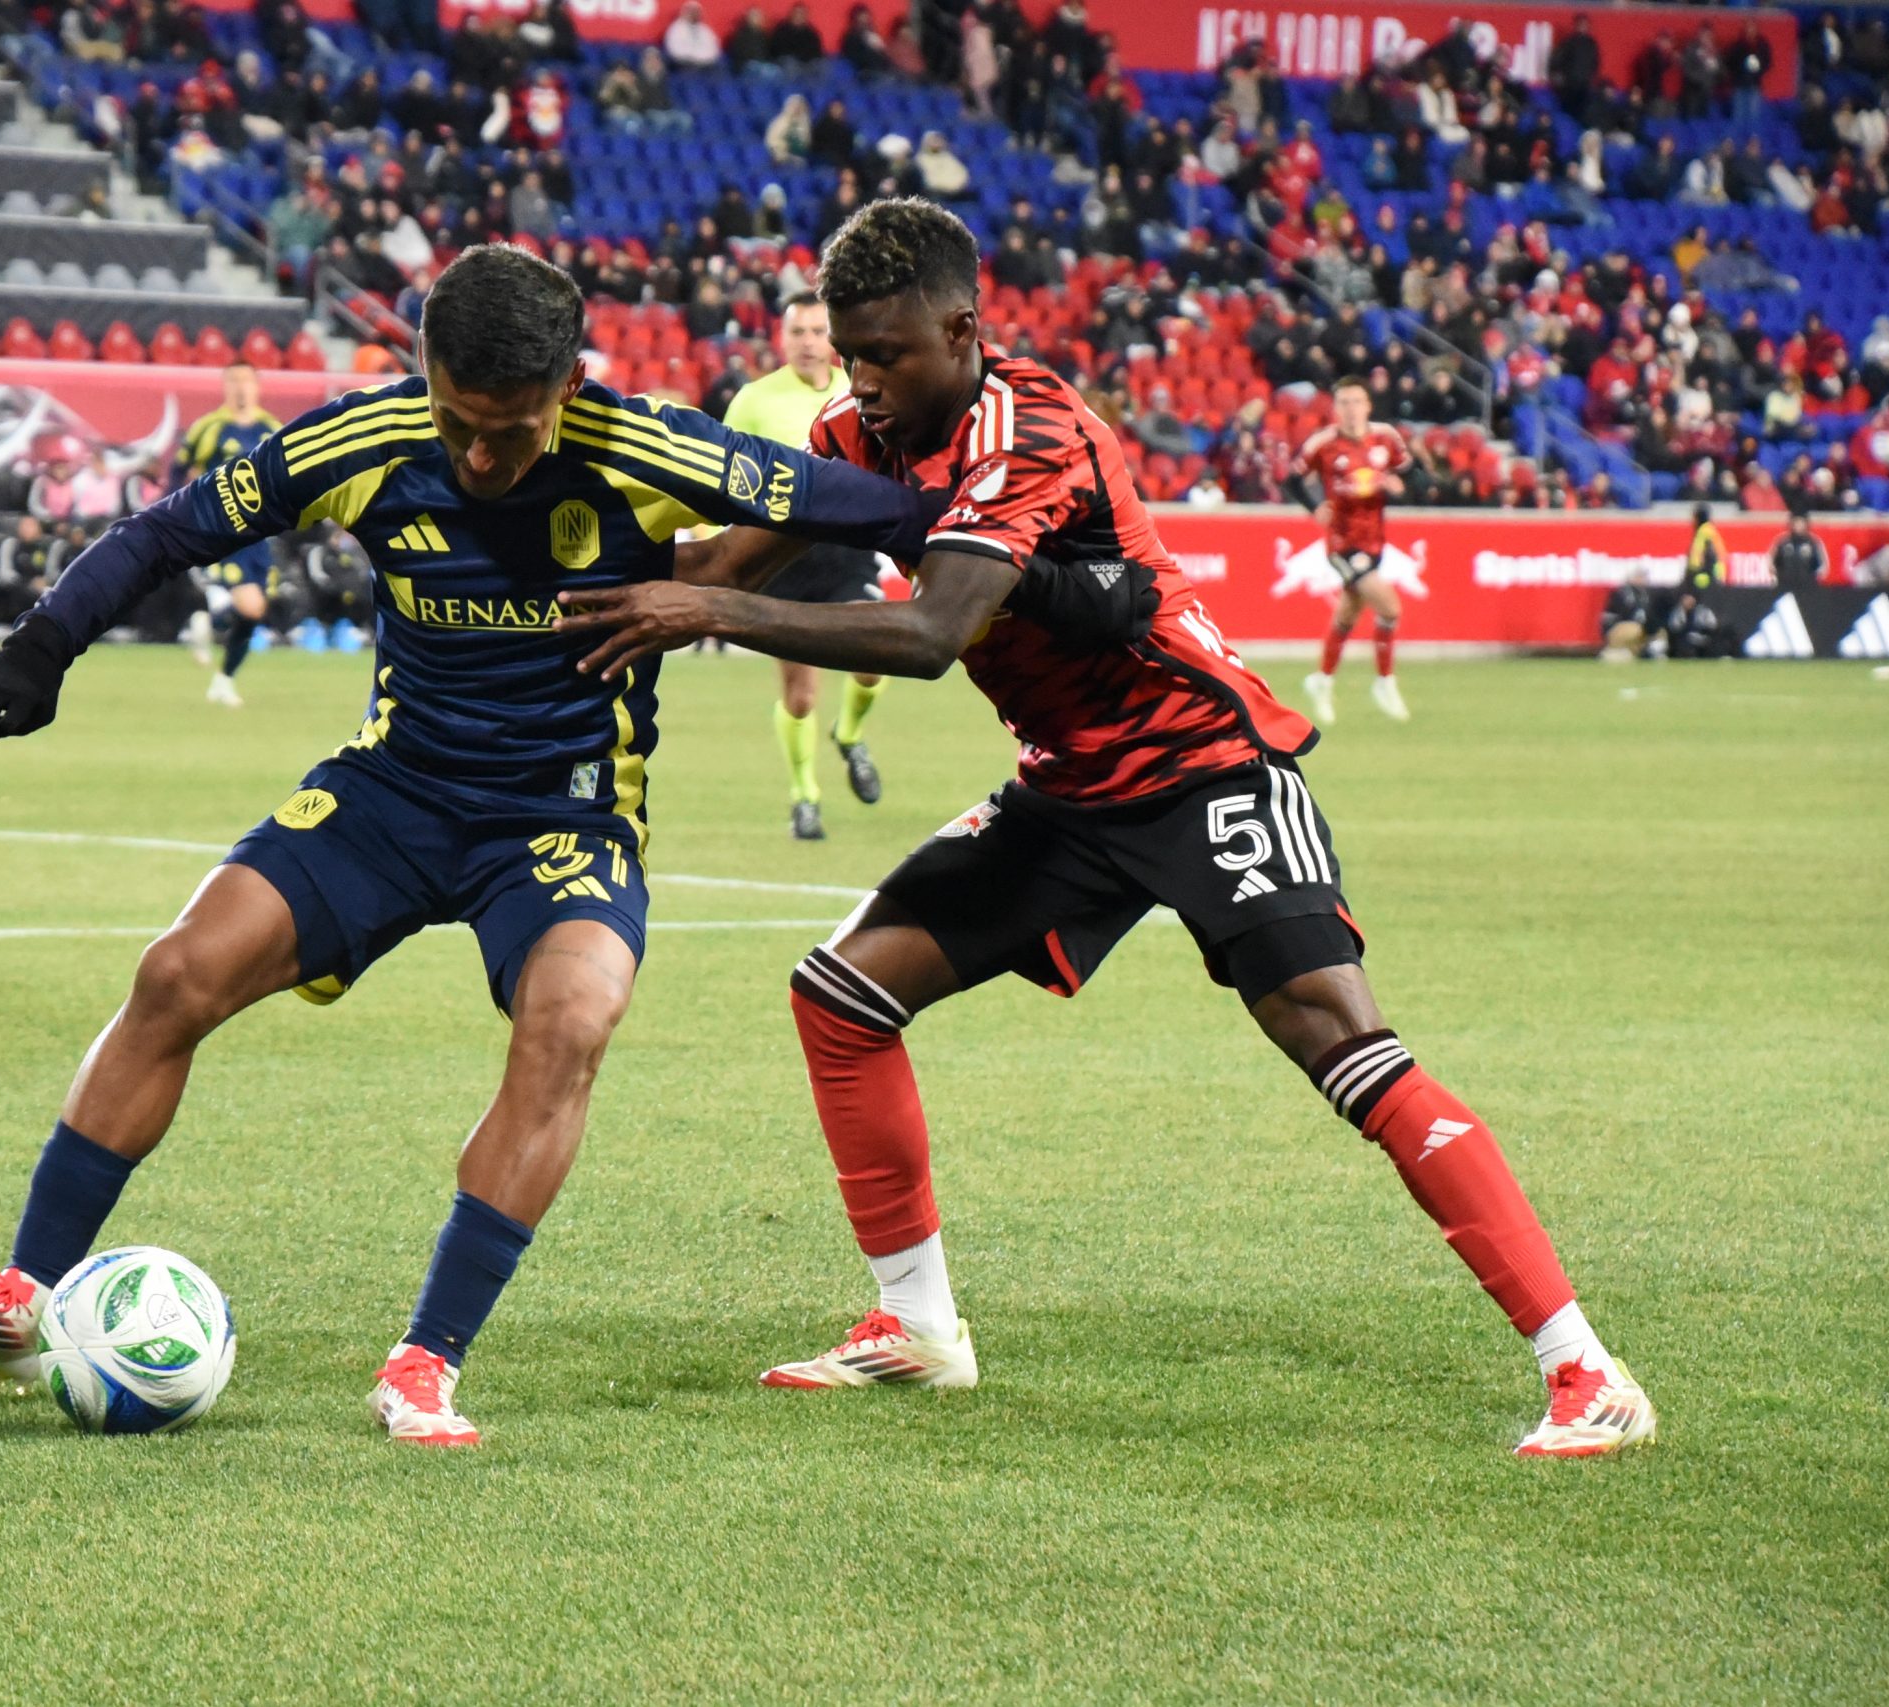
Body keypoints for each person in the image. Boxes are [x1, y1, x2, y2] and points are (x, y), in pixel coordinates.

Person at [554, 200, 1656, 1459]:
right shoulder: (858, 428)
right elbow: (752, 549)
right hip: (1069, 786)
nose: (861, 378)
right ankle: (917, 1328)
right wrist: (590, 585)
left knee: (1334, 1037)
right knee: (842, 995)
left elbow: (928, 636)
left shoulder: (1033, 430)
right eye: (848, 352)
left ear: (963, 329)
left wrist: (708, 613)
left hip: (1202, 765)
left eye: (887, 352)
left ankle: (1585, 1369)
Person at [0, 245, 936, 1449]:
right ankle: (25, 1296)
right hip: (393, 793)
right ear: (424, 373)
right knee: (176, 973)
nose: (481, 456)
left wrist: (1016, 523)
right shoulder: (361, 442)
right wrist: (39, 647)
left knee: (573, 1021)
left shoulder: (653, 450)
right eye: (456, 422)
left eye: (514, 431)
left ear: (570, 390)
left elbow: (874, 503)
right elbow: (164, 534)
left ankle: (425, 1362)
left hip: (563, 815)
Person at [722, 290, 889, 840]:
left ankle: (849, 733)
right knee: (799, 694)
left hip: (848, 550)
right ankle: (805, 797)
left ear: (835, 338)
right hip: (782, 556)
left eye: (819, 332)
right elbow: (723, 473)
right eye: (799, 332)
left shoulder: (860, 390)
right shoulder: (754, 400)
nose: (810, 343)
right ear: (782, 338)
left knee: (874, 661)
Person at [1299, 377, 1414, 725]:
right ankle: (1384, 681)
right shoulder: (1324, 444)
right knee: (1390, 607)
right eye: (1344, 402)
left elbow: (1414, 475)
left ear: (1368, 405)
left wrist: (1398, 486)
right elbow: (1291, 476)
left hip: (1376, 540)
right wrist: (1313, 506)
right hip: (1342, 543)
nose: (1351, 409)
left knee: (1348, 613)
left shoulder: (1385, 439)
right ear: (1335, 409)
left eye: (1356, 401)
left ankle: (1321, 680)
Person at [172, 363, 283, 706]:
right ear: (224, 386)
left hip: (257, 533)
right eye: (233, 380)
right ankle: (207, 615)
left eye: (247, 381)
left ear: (258, 386)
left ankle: (222, 676)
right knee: (242, 602)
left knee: (254, 610)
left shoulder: (273, 429)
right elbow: (178, 472)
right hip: (219, 528)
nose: (240, 388)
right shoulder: (209, 428)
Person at [1768, 511, 1823, 589]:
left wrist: (1811, 580)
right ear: (1791, 524)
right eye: (1796, 522)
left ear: (1806, 524)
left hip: (1807, 587)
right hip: (1784, 586)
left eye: (1801, 522)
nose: (1799, 525)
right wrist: (1778, 578)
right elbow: (1772, 563)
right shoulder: (1782, 542)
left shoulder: (1813, 543)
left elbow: (1821, 566)